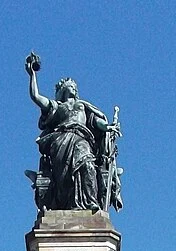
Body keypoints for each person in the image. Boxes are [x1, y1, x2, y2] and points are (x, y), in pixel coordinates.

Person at [26, 59, 119, 212]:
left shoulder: (82, 105)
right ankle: (65, 203)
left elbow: (95, 121)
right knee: (63, 176)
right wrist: (32, 75)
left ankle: (88, 203)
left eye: (76, 87)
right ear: (63, 90)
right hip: (61, 141)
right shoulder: (56, 107)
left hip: (82, 139)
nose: (75, 89)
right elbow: (35, 96)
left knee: (87, 164)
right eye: (71, 86)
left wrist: (107, 127)